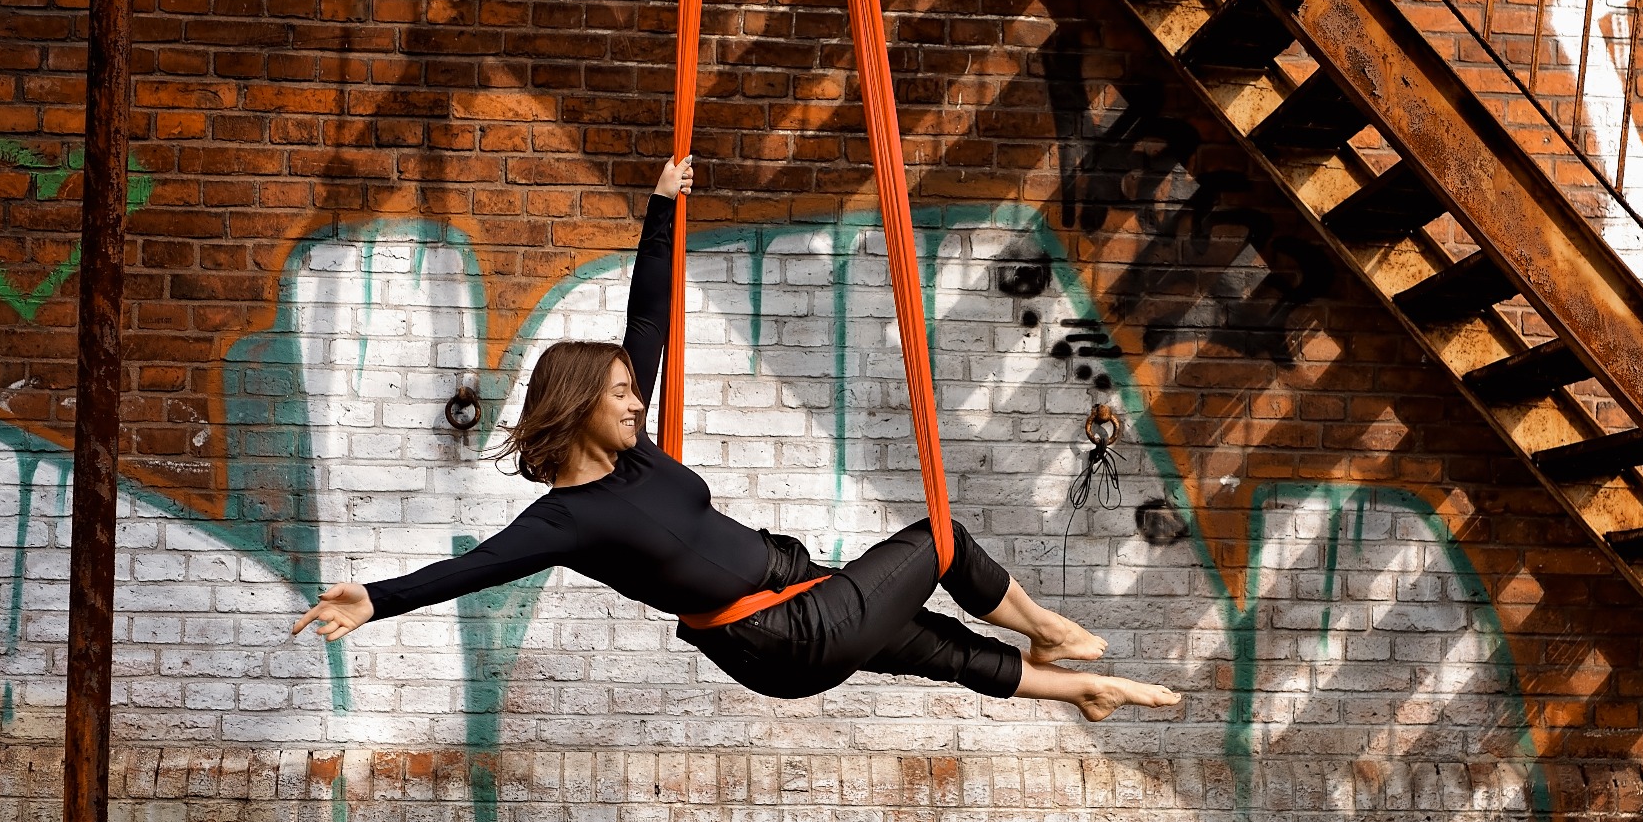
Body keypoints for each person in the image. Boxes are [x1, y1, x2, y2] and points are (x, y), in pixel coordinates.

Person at [292, 157, 1182, 722]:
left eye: (633, 390)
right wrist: (372, 598)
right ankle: (1052, 634)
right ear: (577, 408)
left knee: (935, 646)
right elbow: (467, 570)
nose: (637, 401)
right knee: (940, 538)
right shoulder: (566, 519)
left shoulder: (634, 449)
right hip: (781, 632)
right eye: (620, 395)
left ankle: (1080, 690)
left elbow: (649, 316)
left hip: (803, 599)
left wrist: (659, 210)